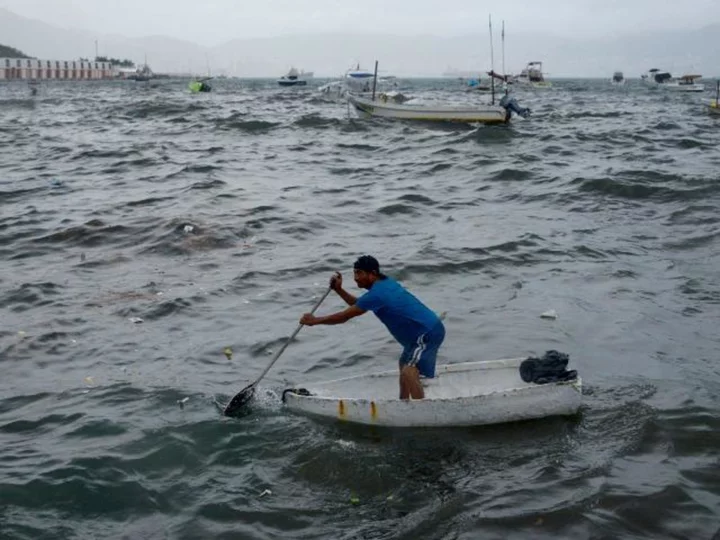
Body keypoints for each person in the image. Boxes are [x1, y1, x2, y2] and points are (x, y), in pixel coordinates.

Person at [299, 255, 445, 400]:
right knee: (403, 364)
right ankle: (403, 402)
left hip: (426, 333)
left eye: (360, 273)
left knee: (408, 370)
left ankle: (420, 409)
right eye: (355, 273)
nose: (356, 277)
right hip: (423, 332)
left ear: (373, 273)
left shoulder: (377, 294)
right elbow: (359, 305)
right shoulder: (385, 284)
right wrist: (339, 290)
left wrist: (315, 321)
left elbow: (344, 317)